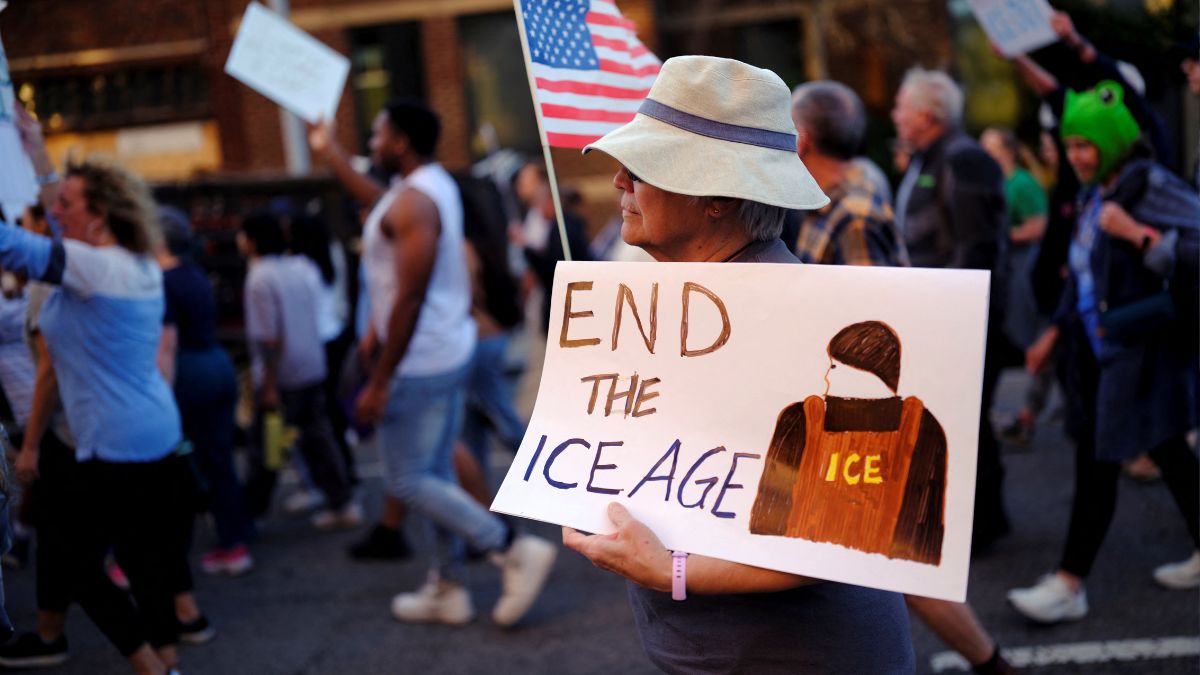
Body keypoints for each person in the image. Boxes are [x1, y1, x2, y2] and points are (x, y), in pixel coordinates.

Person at [564, 54, 915, 673]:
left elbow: (840, 537)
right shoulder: (673, 301)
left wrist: (667, 570)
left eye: (645, 165)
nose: (619, 179)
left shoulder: (798, 320)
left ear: (716, 199)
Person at [791, 81, 1014, 675]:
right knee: (879, 560)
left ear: (803, 138)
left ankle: (991, 662)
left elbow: (878, 327)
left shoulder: (855, 211)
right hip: (841, 413)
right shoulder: (828, 200)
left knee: (893, 555)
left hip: (857, 425)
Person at [323, 98, 556, 626]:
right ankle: (447, 586)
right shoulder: (429, 188)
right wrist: (329, 152)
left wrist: (380, 380)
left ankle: (509, 547)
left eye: (378, 134)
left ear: (401, 141)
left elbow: (409, 296)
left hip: (419, 361)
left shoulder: (417, 203)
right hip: (445, 350)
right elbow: (380, 201)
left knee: (406, 481)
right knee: (432, 474)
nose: (372, 143)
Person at [1007, 81, 1200, 623]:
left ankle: (1070, 583)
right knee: (1166, 446)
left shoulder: (1149, 187)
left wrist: (1140, 235)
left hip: (1139, 351)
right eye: (1070, 146)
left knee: (1098, 458)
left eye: (1085, 145)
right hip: (1099, 352)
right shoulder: (1097, 192)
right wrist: (1052, 333)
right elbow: (1084, 274)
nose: (1076, 156)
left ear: (1113, 143)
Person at [0, 155, 190, 675]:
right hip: (151, 430)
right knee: (144, 558)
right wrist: (35, 152)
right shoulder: (134, 260)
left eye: (66, 204)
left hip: (115, 439)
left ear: (101, 214)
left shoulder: (92, 267)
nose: (54, 210)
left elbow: (12, 244)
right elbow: (54, 217)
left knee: (74, 561)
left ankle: (151, 664)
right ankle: (165, 662)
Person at [892, 67, 1011, 554]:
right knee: (960, 423)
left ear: (926, 113)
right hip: (938, 317)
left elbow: (976, 248)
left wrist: (953, 320)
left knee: (965, 425)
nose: (895, 115)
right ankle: (981, 523)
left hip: (961, 321)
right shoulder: (929, 156)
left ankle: (979, 530)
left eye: (901, 106)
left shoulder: (964, 159)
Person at [239, 210, 359, 530]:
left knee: (268, 446)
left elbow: (268, 338)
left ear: (251, 240)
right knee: (317, 438)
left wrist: (269, 384)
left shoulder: (260, 278)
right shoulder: (302, 268)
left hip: (283, 376)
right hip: (311, 367)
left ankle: (251, 514)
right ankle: (340, 499)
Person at [157, 207, 253, 576]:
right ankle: (235, 536)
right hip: (217, 364)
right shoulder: (193, 272)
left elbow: (166, 343)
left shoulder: (164, 280)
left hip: (191, 373)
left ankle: (212, 544)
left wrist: (159, 394)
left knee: (188, 463)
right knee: (220, 458)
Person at [980, 127, 1052, 446]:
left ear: (1007, 150)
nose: (984, 153)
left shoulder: (1021, 183)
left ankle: (1028, 412)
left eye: (991, 147)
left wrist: (1001, 237)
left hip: (1025, 268)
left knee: (1029, 335)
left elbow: (1039, 226)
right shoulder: (994, 179)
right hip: (1008, 268)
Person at [789, 81, 908, 267]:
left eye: (788, 129)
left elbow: (870, 295)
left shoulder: (856, 216)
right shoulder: (829, 204)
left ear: (802, 140)